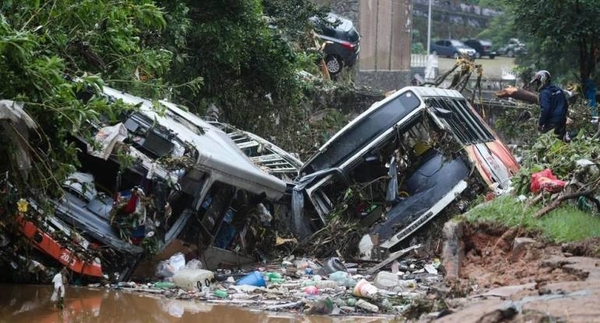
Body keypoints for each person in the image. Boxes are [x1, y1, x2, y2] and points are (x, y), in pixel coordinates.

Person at [530, 70, 568, 139]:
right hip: (562, 121)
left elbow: (545, 109)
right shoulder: (559, 90)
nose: (537, 84)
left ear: (542, 80)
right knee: (560, 143)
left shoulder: (544, 93)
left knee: (546, 142)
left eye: (538, 82)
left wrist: (541, 123)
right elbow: (565, 104)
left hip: (552, 122)